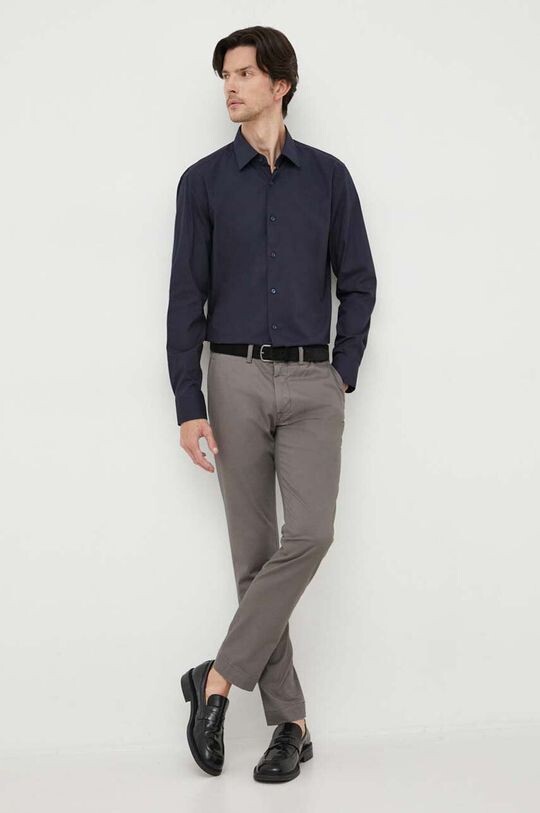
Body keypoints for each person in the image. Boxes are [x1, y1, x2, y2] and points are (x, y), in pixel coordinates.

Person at [167, 25, 377, 782]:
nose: (230, 86)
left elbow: (359, 281)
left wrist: (341, 372)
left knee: (311, 534)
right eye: (225, 74)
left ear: (280, 84)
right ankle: (292, 724)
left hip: (313, 380)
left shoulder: (328, 178)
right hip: (233, 377)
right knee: (254, 557)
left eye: (245, 73)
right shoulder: (202, 183)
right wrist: (189, 402)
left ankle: (217, 679)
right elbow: (185, 297)